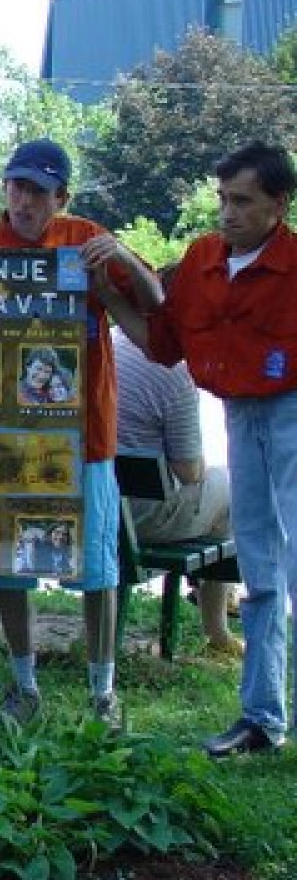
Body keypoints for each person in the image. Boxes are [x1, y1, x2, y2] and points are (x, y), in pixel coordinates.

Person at [114, 141, 297, 757]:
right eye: (222, 198)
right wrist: (107, 294)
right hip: (243, 415)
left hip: (291, 410)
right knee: (262, 567)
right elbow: (160, 344)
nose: (227, 212)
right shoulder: (203, 260)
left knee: (291, 563)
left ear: (279, 203)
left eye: (242, 200)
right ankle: (263, 720)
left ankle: (267, 717)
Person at [0, 138, 157, 727]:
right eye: (16, 187)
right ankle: (23, 684)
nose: (23, 201)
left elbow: (155, 301)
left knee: (97, 570)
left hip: (86, 434)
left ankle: (103, 692)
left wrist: (123, 257)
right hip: (8, 438)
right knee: (9, 564)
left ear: (62, 197)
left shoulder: (86, 239)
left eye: (38, 191)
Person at [112, 324, 241, 656]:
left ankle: (213, 595)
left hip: (89, 507)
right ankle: (216, 629)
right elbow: (190, 471)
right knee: (231, 486)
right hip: (137, 520)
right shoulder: (173, 372)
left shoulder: (107, 342)